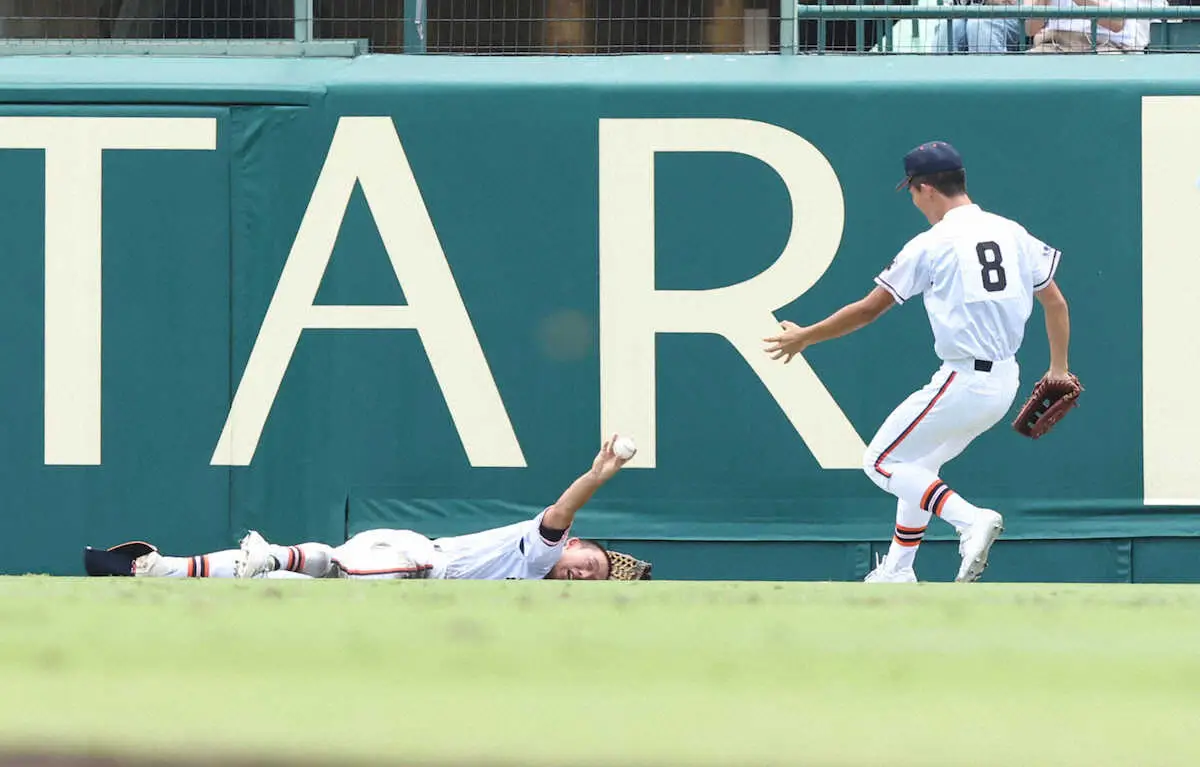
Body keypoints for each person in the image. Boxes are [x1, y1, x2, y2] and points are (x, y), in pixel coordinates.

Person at [764, 141, 1072, 584]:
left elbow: (869, 309)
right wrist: (1058, 368)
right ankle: (898, 570)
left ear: (926, 188)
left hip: (964, 379)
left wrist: (805, 336)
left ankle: (970, 520)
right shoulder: (1012, 232)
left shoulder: (933, 243)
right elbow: (1056, 302)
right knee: (918, 468)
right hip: (1005, 380)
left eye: (911, 191)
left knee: (881, 463)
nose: (913, 200)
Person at [84, 436, 652, 582]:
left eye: (591, 581)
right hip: (414, 558)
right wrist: (597, 477)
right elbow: (559, 511)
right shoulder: (540, 552)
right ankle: (276, 556)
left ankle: (155, 567)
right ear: (577, 547)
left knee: (285, 588)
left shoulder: (535, 599)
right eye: (591, 566)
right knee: (394, 572)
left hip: (397, 569)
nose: (581, 576)